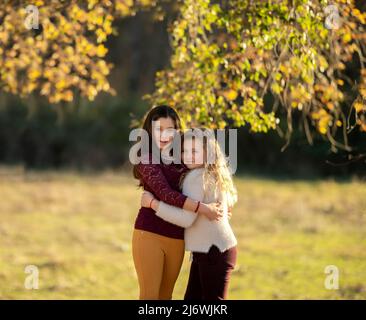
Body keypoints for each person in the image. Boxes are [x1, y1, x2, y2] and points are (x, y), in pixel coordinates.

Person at [132, 106, 223, 300]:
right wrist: (203, 208)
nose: (164, 135)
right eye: (159, 129)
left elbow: (211, 172)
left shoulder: (184, 157)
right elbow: (166, 194)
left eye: (169, 129)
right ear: (150, 131)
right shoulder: (146, 158)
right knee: (150, 298)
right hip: (149, 234)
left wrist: (224, 202)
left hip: (177, 238)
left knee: (166, 298)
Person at [141, 129, 237, 300]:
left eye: (194, 151)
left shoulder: (195, 178)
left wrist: (154, 204)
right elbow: (229, 201)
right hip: (212, 250)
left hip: (212, 252)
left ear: (207, 152)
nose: (188, 156)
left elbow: (186, 219)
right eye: (184, 151)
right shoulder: (213, 173)